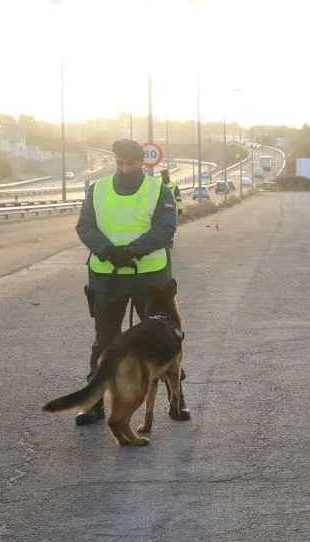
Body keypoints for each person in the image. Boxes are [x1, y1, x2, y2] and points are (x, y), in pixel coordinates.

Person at [74, 139, 191, 426]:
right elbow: (84, 226)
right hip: (107, 277)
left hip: (150, 278)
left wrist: (132, 250)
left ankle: (177, 401)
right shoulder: (97, 190)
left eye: (129, 163)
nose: (123, 168)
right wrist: (108, 251)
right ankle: (94, 403)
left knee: (163, 338)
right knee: (104, 341)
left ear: (141, 163)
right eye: (119, 162)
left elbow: (166, 228)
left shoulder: (158, 190)